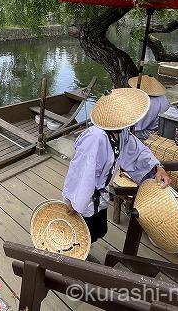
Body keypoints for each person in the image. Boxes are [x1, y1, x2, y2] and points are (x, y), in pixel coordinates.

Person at [62, 88, 171, 243]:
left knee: (97, 231)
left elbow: (137, 151)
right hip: (82, 196)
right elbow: (82, 173)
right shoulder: (95, 138)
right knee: (80, 234)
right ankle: (75, 261)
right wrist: (76, 203)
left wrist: (157, 168)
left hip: (99, 194)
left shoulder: (121, 132)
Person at [128, 76, 170, 140]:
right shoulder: (164, 98)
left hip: (150, 133)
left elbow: (137, 128)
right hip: (161, 128)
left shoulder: (147, 103)